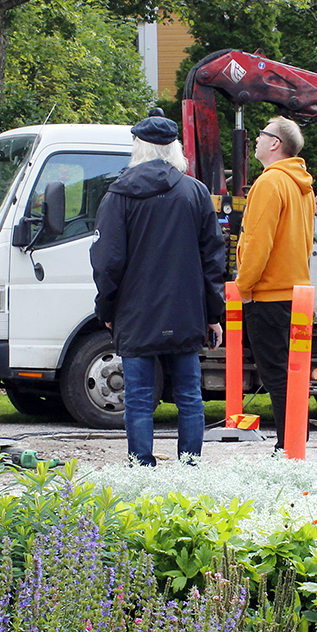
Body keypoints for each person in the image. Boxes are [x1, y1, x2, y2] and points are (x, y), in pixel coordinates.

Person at [91, 110, 227, 466]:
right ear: (174, 150)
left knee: (137, 396)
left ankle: (142, 467)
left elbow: (107, 262)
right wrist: (214, 314)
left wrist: (107, 310)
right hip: (185, 311)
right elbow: (213, 259)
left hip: (136, 313)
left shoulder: (118, 195)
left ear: (139, 149)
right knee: (188, 395)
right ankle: (189, 467)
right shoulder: (195, 193)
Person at [236, 116, 315, 450]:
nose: (255, 138)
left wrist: (243, 288)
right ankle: (294, 442)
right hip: (295, 294)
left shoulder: (270, 183)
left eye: (262, 133)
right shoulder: (302, 186)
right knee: (292, 377)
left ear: (275, 144)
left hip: (268, 295)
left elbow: (257, 242)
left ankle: (288, 448)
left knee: (276, 377)